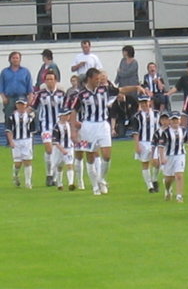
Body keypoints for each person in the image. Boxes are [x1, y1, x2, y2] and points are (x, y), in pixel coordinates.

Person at [70, 68, 145, 196]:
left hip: (103, 124)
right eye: (96, 79)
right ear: (89, 79)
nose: (99, 81)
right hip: (88, 126)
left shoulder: (104, 90)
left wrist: (136, 87)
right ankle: (95, 186)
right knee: (90, 156)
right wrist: (73, 131)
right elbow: (73, 111)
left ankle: (101, 179)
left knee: (107, 155)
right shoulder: (81, 95)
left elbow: (121, 90)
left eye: (100, 79)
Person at [31, 70, 67, 187]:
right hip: (46, 125)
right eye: (47, 79)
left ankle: (55, 176)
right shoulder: (40, 94)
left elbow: (67, 109)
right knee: (49, 148)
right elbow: (32, 107)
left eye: (51, 79)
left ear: (56, 80)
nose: (49, 81)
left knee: (57, 150)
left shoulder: (61, 93)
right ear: (44, 81)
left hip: (58, 126)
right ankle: (49, 174)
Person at [131, 94, 160, 193]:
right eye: (142, 103)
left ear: (149, 102)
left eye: (146, 102)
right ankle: (149, 186)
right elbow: (135, 132)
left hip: (155, 142)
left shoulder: (157, 114)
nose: (144, 104)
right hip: (143, 142)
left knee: (156, 162)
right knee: (145, 163)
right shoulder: (137, 116)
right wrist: (137, 145)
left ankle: (154, 179)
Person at [158, 111, 188, 202]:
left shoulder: (183, 131)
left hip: (180, 155)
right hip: (169, 156)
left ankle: (179, 195)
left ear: (179, 121)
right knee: (168, 179)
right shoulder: (165, 133)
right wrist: (162, 158)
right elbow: (161, 146)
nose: (175, 122)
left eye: (176, 120)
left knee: (179, 175)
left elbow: (186, 141)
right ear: (170, 121)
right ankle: (168, 190)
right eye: (173, 120)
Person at [5, 97, 36, 189]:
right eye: (19, 104)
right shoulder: (11, 117)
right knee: (18, 163)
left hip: (27, 140)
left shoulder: (30, 117)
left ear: (25, 105)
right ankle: (15, 175)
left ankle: (28, 182)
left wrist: (30, 142)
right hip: (16, 140)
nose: (20, 106)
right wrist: (11, 141)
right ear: (16, 105)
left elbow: (32, 130)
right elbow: (9, 130)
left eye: (22, 104)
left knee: (27, 161)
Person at [0, 52, 34, 118]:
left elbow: (29, 86)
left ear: (20, 59)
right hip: (9, 98)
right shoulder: (4, 72)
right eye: (13, 58)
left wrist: (30, 98)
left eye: (17, 58)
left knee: (22, 117)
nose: (15, 60)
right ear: (10, 59)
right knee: (9, 116)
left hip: (22, 98)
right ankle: (8, 128)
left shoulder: (25, 71)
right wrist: (3, 97)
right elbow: (1, 85)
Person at [51, 107, 76, 191]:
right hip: (59, 149)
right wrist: (62, 149)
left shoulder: (69, 125)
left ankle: (71, 183)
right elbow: (55, 141)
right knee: (59, 166)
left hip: (69, 147)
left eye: (68, 115)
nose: (67, 117)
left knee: (69, 164)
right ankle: (59, 183)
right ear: (60, 116)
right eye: (65, 115)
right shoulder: (56, 126)